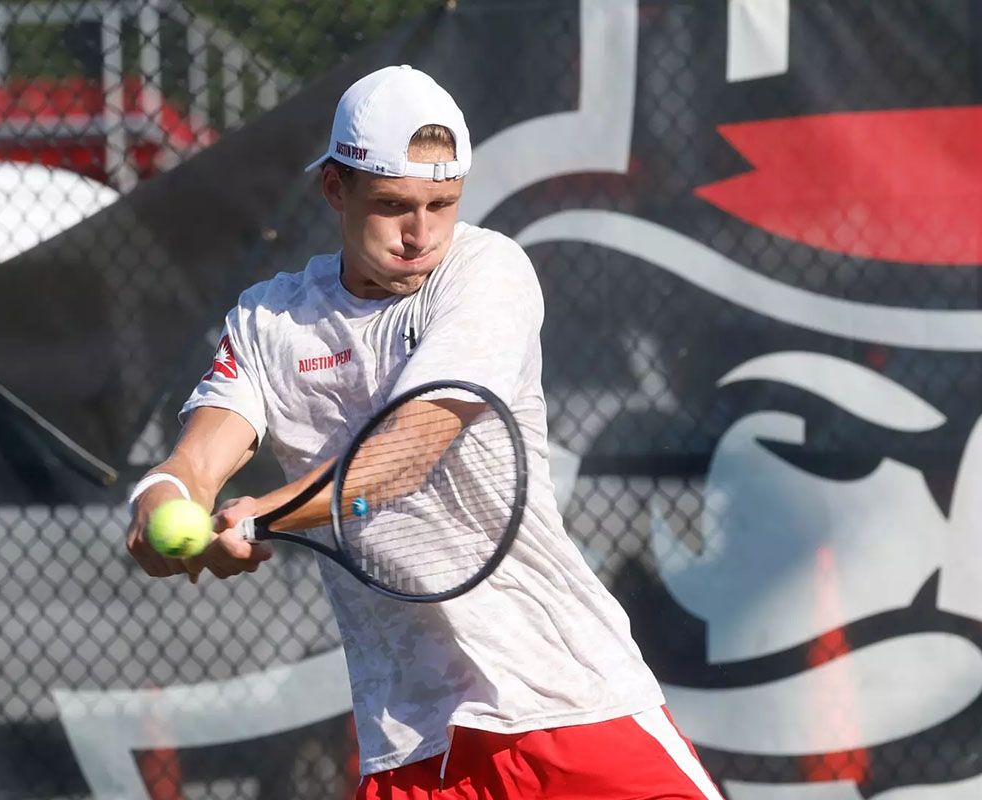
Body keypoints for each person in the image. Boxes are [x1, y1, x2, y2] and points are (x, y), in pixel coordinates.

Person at [126, 65, 722, 799]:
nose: (421, 233)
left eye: (442, 203)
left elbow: (403, 455)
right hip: (412, 743)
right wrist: (158, 502)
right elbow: (195, 461)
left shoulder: (486, 271)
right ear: (335, 191)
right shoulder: (268, 321)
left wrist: (264, 515)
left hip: (569, 702)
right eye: (393, 205)